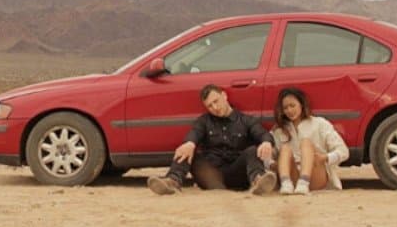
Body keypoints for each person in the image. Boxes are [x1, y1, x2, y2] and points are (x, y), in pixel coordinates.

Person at [147, 84, 277, 196]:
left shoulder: (246, 120)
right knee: (186, 149)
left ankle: (258, 182)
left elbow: (263, 134)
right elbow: (195, 133)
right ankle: (172, 182)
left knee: (253, 150)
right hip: (211, 176)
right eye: (209, 106)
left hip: (238, 173)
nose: (215, 107)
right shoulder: (204, 121)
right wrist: (190, 143)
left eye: (216, 101)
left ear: (224, 96)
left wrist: (266, 142)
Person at [271, 87, 349, 195]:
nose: (289, 110)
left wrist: (325, 158)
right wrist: (273, 164)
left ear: (301, 105)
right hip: (293, 177)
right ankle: (286, 183)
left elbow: (343, 151)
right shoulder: (279, 130)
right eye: (285, 108)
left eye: (292, 106)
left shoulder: (319, 123)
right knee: (285, 148)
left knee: (306, 143)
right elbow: (269, 156)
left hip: (316, 173)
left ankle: (304, 182)